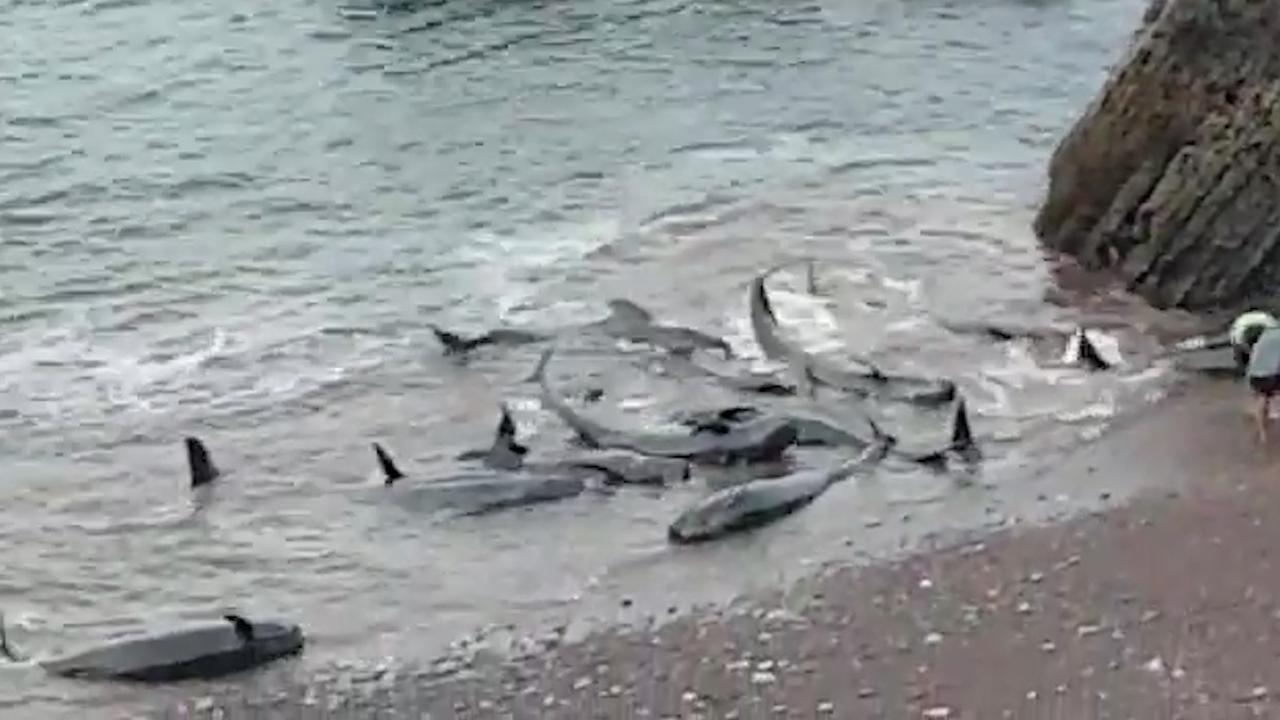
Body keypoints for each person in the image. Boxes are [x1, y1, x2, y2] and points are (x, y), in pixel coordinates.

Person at [1246, 324, 1280, 445]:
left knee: (1261, 398)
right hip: (1270, 373)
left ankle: (1262, 434)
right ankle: (1274, 412)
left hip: (1254, 373)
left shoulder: (1265, 334)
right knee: (1271, 394)